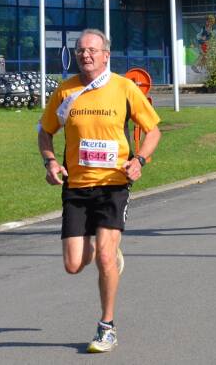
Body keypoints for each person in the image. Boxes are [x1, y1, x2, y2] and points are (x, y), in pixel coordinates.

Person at [38, 29, 161, 353]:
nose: (85, 55)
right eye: (80, 50)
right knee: (73, 264)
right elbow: (45, 132)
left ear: (106, 54)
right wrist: (50, 162)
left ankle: (106, 326)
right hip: (77, 187)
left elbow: (153, 131)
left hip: (113, 185)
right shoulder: (66, 91)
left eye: (92, 50)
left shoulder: (124, 88)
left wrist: (140, 160)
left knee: (105, 256)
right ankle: (104, 252)